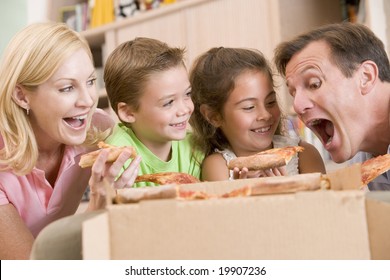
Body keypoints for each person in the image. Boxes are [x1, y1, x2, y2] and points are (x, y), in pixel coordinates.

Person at [0, 22, 141, 259]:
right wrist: (98, 203)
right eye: (67, 88)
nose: (87, 100)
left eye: (89, 81)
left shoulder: (97, 130)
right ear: (22, 96)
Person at [273, 22, 390, 190]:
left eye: (314, 84)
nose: (297, 106)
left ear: (366, 76)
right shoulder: (364, 166)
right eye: (293, 93)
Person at [189, 47, 326, 181]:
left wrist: (286, 188)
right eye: (249, 107)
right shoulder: (218, 166)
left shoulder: (304, 155)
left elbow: (322, 202)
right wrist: (240, 192)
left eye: (271, 102)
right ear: (214, 116)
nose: (265, 115)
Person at [103, 37, 204, 186]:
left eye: (187, 94)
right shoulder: (116, 158)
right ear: (128, 112)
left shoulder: (195, 147)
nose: (184, 109)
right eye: (169, 102)